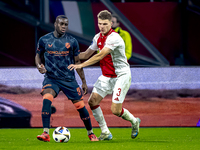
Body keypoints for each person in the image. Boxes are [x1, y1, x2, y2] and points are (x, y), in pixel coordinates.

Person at [68, 10, 141, 141]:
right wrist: (66, 56)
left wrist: (81, 65)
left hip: (121, 75)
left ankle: (135, 121)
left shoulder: (114, 38)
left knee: (116, 111)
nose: (102, 26)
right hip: (106, 75)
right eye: (100, 23)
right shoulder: (97, 37)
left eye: (105, 24)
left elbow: (100, 55)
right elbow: (85, 54)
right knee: (92, 101)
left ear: (111, 23)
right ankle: (105, 132)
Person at [35, 15, 98, 142]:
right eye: (61, 24)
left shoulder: (72, 41)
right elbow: (38, 55)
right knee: (47, 98)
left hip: (68, 79)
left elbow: (77, 62)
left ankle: (91, 133)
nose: (64, 27)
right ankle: (46, 133)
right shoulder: (44, 40)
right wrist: (39, 66)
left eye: (66, 24)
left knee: (80, 106)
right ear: (55, 24)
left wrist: (84, 82)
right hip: (51, 78)